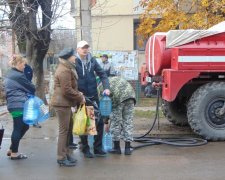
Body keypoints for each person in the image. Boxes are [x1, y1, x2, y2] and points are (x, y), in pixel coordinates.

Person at [75, 40, 110, 158]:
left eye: (86, 47)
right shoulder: (74, 62)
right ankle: (85, 148)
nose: (85, 50)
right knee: (84, 123)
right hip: (81, 97)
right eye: (83, 48)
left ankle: (97, 147)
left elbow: (102, 74)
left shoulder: (92, 60)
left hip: (93, 95)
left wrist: (106, 88)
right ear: (78, 50)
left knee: (99, 122)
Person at [51, 48, 85, 167]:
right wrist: (80, 96)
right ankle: (61, 157)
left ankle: (66, 154)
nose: (75, 57)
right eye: (73, 56)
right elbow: (67, 90)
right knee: (64, 131)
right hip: (62, 104)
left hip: (65, 103)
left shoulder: (67, 68)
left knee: (67, 130)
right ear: (68, 58)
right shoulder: (64, 70)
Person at [4, 55, 36, 160]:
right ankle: (14, 153)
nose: (24, 66)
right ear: (18, 64)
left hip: (14, 104)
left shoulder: (11, 73)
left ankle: (12, 149)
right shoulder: (18, 75)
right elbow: (31, 87)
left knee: (25, 126)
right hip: (18, 104)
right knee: (18, 127)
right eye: (23, 64)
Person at [100, 76, 136, 155]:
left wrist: (105, 120)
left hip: (118, 99)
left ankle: (117, 148)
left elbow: (104, 106)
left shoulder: (100, 87)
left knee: (116, 123)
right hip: (130, 96)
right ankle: (127, 148)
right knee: (128, 122)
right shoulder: (112, 79)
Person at [24, 64, 42, 128]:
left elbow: (30, 77)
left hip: (29, 90)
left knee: (34, 106)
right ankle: (24, 123)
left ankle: (35, 122)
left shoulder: (28, 67)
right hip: (21, 92)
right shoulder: (16, 70)